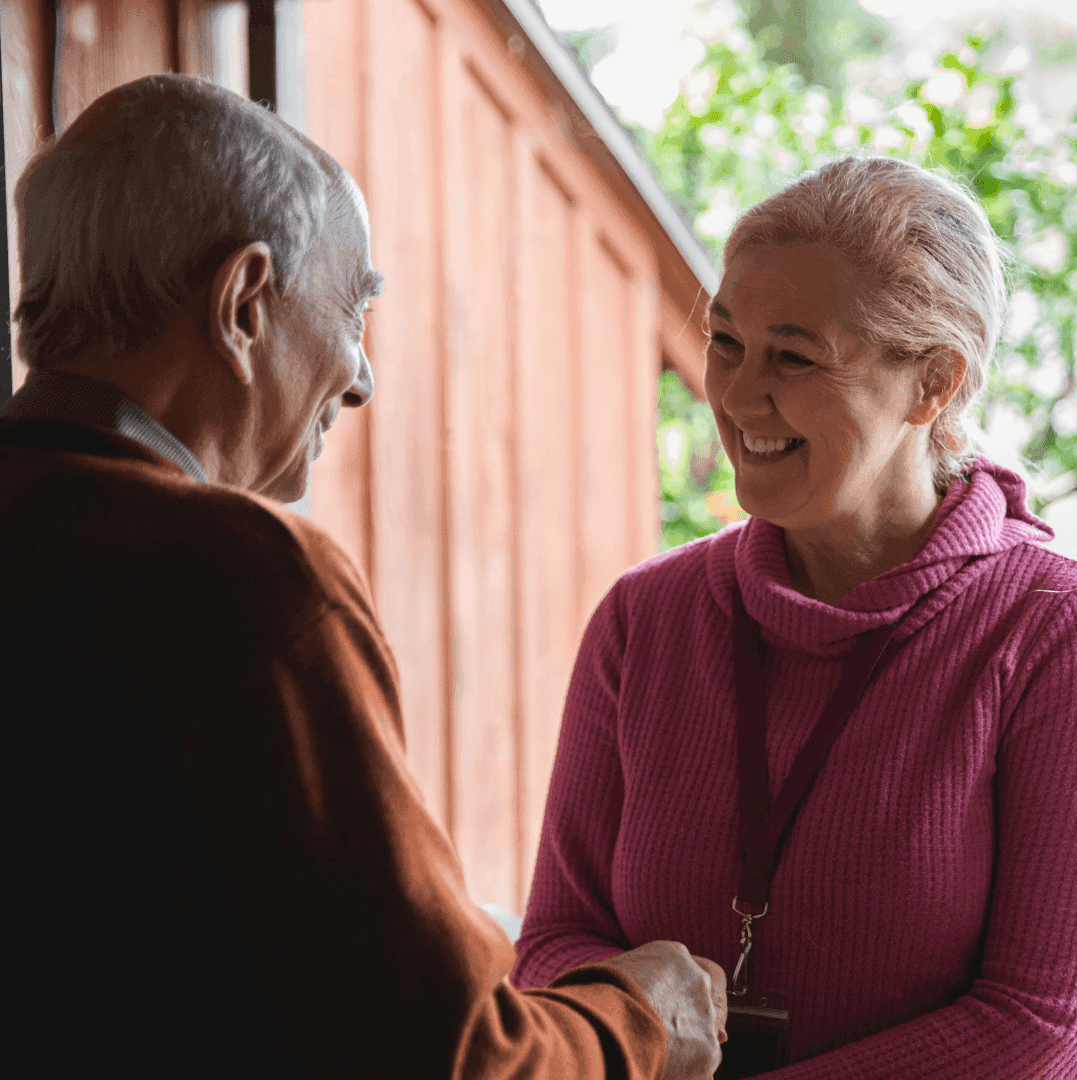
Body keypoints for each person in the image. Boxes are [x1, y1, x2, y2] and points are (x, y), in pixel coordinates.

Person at [0, 74, 727, 1077]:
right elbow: (452, 1054)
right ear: (245, 301)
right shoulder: (241, 582)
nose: (361, 376)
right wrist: (643, 1020)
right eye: (352, 310)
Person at [512, 156, 1077, 1078]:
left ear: (935, 383)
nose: (738, 398)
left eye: (793, 356)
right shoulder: (643, 619)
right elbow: (557, 939)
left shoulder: (1064, 632)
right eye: (727, 341)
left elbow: (1044, 1030)